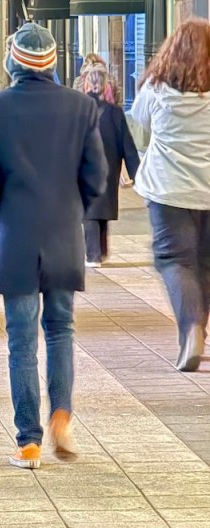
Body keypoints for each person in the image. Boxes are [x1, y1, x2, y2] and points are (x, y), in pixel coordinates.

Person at [0, 23, 106, 469]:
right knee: (61, 329)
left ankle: (28, 441)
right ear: (51, 62)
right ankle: (62, 417)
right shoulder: (82, 107)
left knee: (21, 340)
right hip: (63, 234)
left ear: (13, 60)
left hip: (17, 236)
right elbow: (96, 178)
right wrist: (72, 212)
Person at [129, 19, 210, 373]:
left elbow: (140, 120)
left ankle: (191, 327)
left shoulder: (156, 90)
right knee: (205, 264)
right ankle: (199, 329)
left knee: (175, 260)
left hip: (169, 190)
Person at [76, 63, 140, 268]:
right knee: (102, 205)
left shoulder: (79, 110)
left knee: (90, 209)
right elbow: (127, 145)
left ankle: (93, 254)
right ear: (105, 86)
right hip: (110, 165)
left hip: (86, 165)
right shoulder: (115, 112)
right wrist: (136, 173)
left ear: (87, 85)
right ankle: (101, 251)